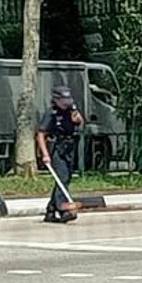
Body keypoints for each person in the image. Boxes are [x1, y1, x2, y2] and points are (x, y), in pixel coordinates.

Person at [36, 86, 83, 224]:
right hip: (56, 148)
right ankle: (63, 209)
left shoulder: (71, 111)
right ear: (56, 99)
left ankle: (50, 210)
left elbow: (80, 123)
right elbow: (40, 134)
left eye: (67, 99)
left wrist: (78, 119)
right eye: (63, 99)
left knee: (65, 178)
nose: (66, 102)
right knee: (61, 177)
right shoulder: (51, 114)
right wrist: (45, 155)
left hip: (69, 148)